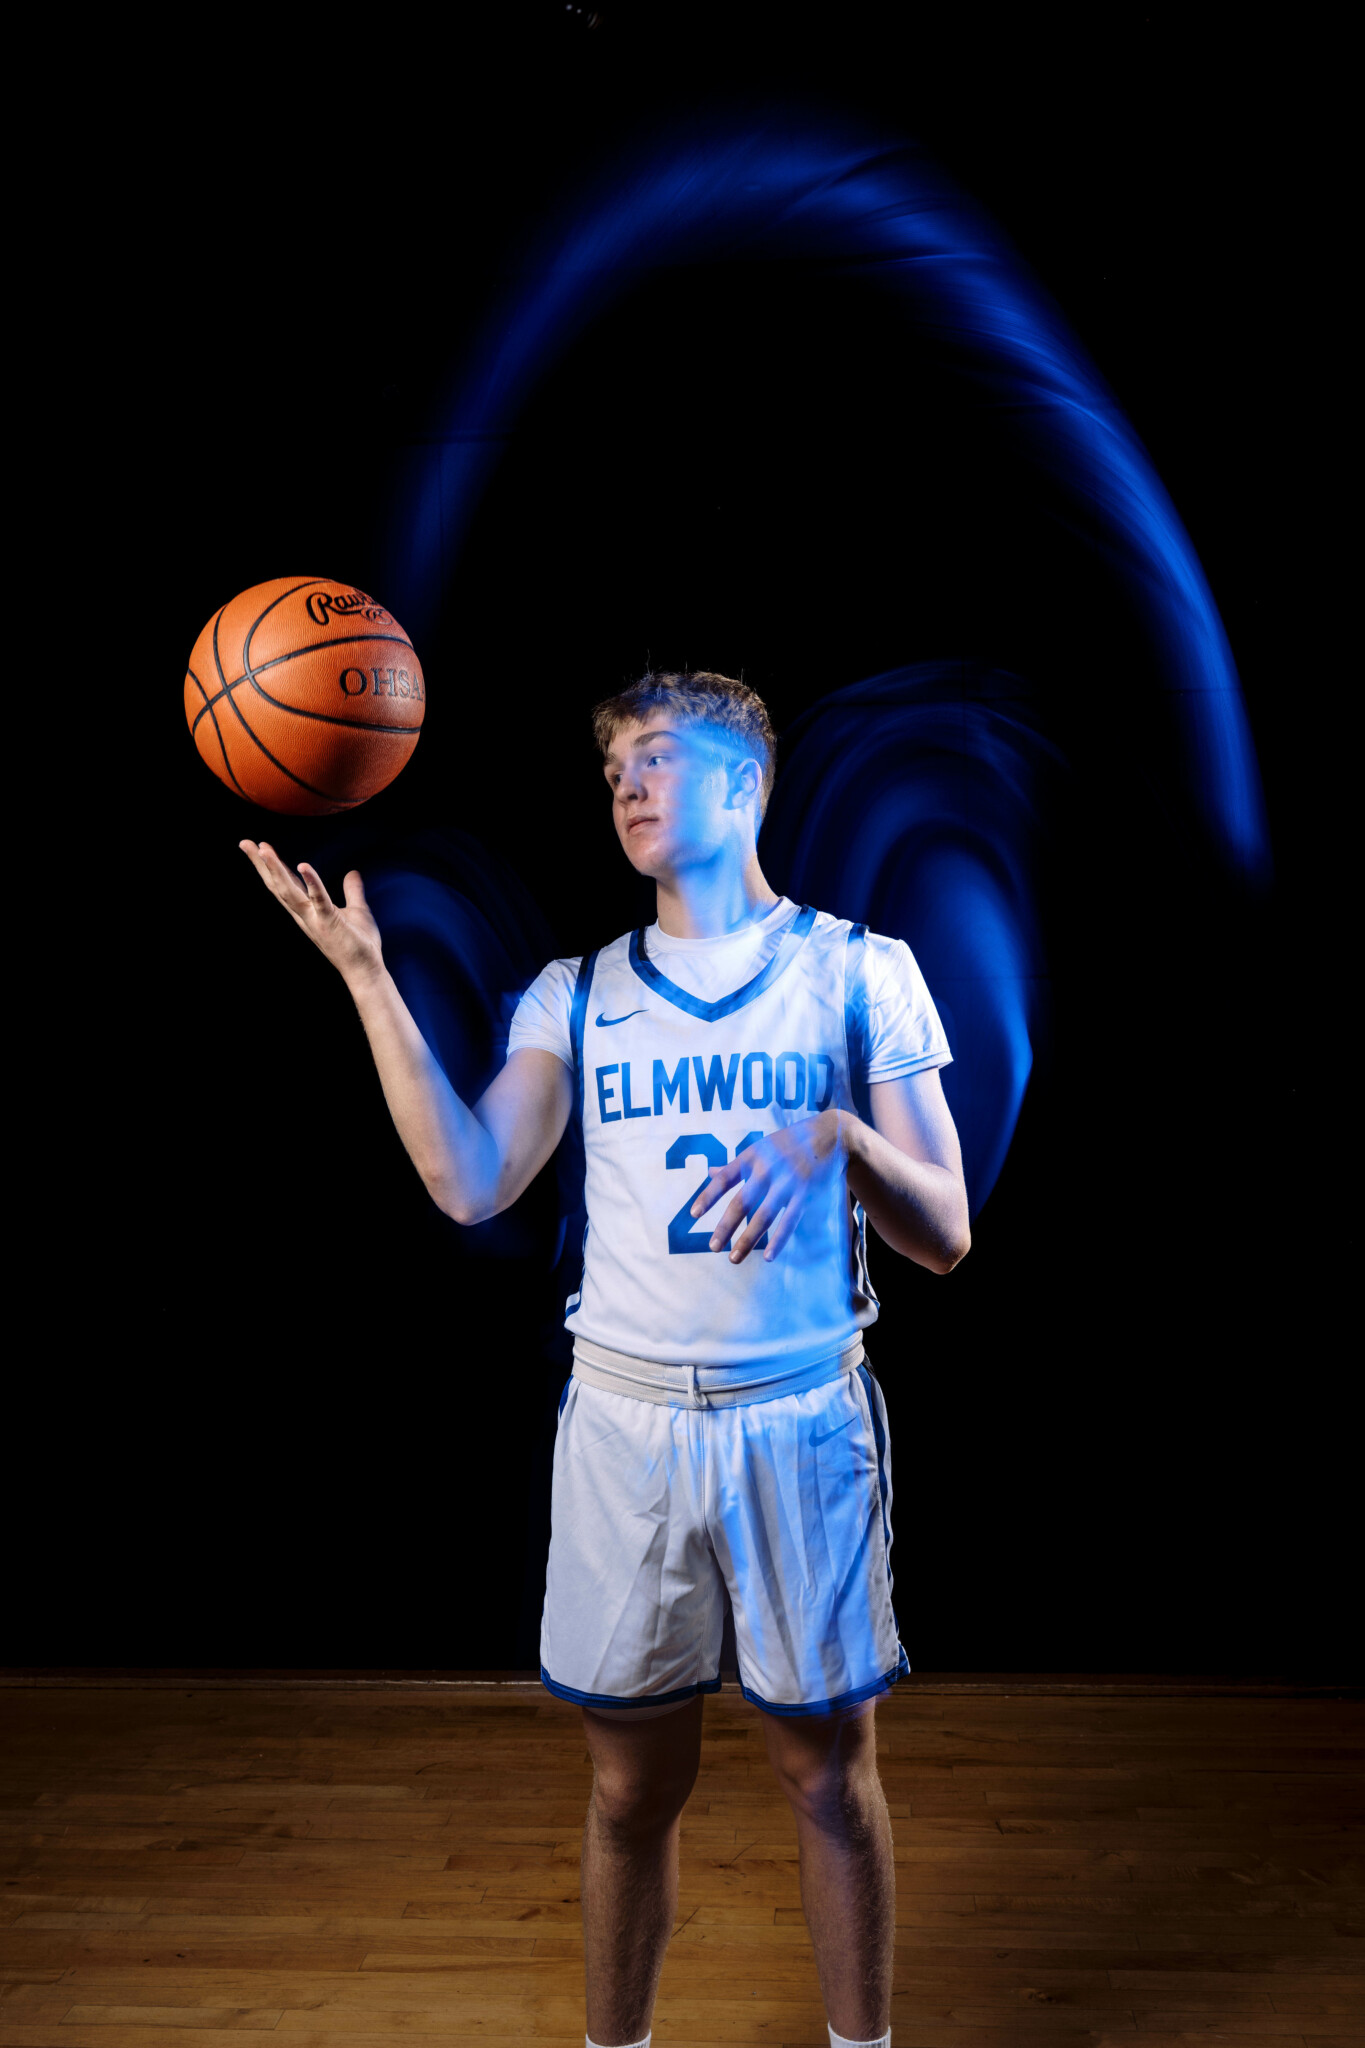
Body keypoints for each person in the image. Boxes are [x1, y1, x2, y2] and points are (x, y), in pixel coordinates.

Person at [241, 669, 970, 2048]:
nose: (627, 783)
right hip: (626, 1428)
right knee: (630, 1793)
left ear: (744, 783)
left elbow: (944, 1235)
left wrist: (840, 1140)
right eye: (613, 767)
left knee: (825, 1778)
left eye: (656, 757)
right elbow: (469, 1182)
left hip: (798, 1419)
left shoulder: (859, 971)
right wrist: (367, 983)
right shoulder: (573, 995)